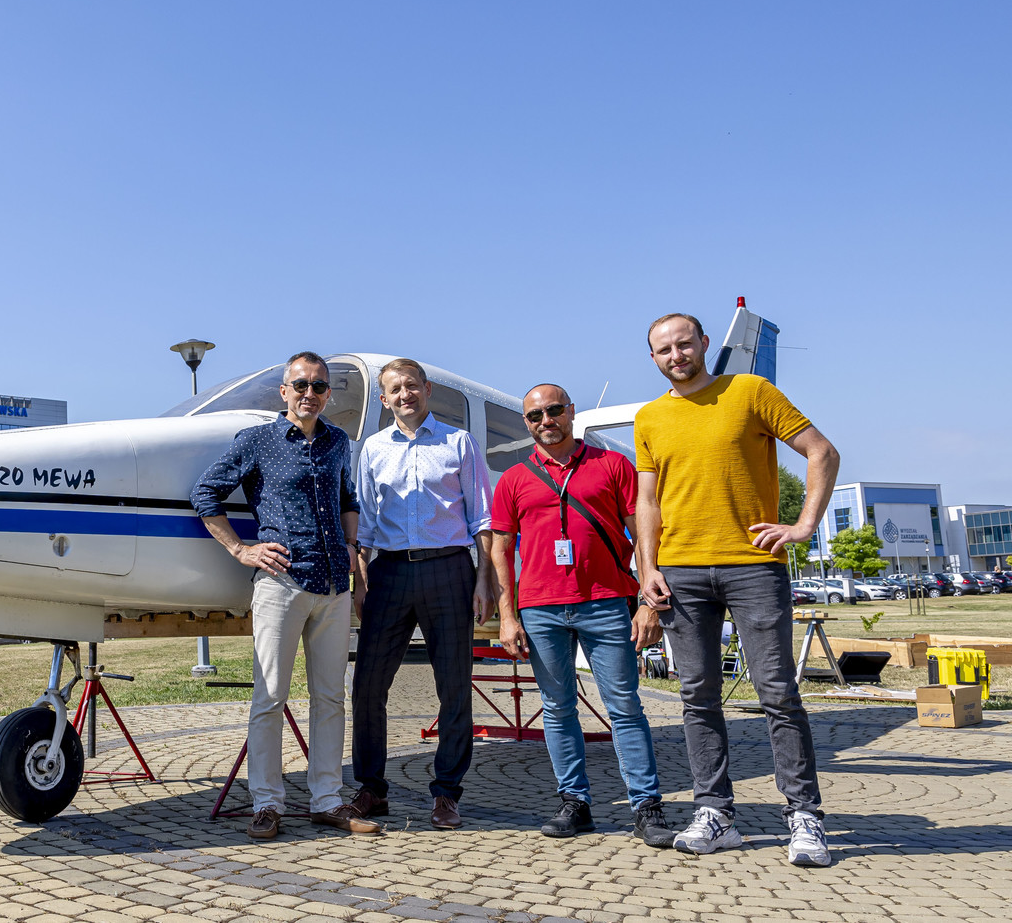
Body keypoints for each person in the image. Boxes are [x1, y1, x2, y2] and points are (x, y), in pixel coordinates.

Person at [634, 313, 840, 867]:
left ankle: (804, 816)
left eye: (684, 344)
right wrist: (647, 568)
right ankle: (715, 813)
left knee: (777, 692)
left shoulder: (750, 392)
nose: (676, 355)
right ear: (653, 358)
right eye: (664, 350)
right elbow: (647, 500)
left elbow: (822, 451)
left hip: (753, 566)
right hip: (680, 572)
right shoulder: (650, 417)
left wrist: (803, 526)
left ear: (704, 343)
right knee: (696, 698)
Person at [190, 351, 381, 840]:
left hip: (334, 585)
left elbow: (347, 500)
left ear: (328, 394)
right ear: (284, 391)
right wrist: (241, 549)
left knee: (330, 698)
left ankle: (327, 801)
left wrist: (352, 550)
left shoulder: (338, 442)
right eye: (300, 385)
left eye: (318, 386)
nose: (309, 394)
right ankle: (267, 803)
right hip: (282, 583)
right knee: (270, 696)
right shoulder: (257, 440)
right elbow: (205, 493)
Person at [490, 383, 675, 848]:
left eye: (554, 410)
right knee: (557, 708)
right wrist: (507, 616)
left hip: (606, 602)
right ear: (526, 423)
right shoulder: (513, 479)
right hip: (540, 608)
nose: (546, 421)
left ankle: (646, 805)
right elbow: (500, 550)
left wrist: (648, 601)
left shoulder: (612, 465)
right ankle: (574, 801)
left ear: (571, 412)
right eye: (535, 416)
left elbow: (645, 534)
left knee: (624, 706)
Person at [349, 359, 494, 830]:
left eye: (412, 386)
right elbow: (365, 522)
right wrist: (360, 579)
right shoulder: (373, 448)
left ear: (427, 389)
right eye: (395, 389)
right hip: (389, 572)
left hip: (449, 568)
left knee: (453, 686)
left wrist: (484, 580)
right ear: (384, 399)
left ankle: (447, 792)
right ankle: (371, 788)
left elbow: (482, 518)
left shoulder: (458, 442)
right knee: (368, 685)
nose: (404, 395)